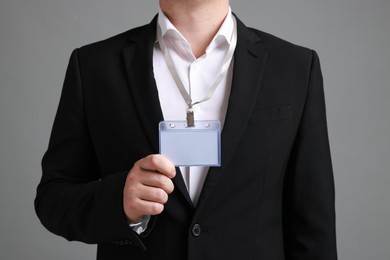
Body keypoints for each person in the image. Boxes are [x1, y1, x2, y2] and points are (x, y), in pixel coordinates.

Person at [35, 0, 338, 259]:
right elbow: (53, 199)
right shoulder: (94, 66)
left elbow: (313, 224)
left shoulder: (295, 67)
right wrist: (119, 201)